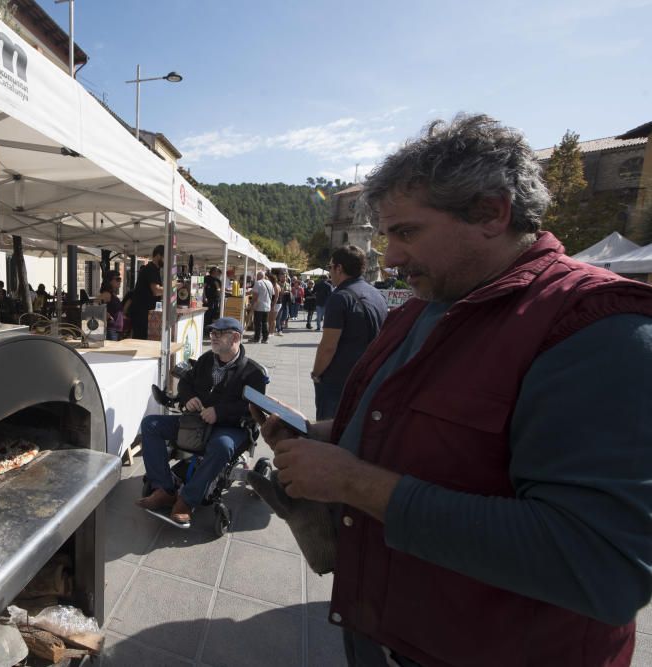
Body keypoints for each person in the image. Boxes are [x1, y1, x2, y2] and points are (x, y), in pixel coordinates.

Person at [259, 114, 652, 667]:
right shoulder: (423, 307)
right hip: (383, 628)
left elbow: (601, 566)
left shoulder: (597, 325)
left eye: (407, 232)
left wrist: (351, 480)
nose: (390, 258)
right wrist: (326, 434)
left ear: (492, 213)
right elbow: (422, 431)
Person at [136, 317, 267, 526]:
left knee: (221, 446)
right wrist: (188, 398)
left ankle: (187, 501)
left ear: (235, 337)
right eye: (212, 333)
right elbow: (186, 383)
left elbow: (253, 409)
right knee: (151, 425)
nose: (212, 337)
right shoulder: (207, 360)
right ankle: (165, 489)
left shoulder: (253, 373)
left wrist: (219, 412)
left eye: (219, 334)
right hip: (197, 422)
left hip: (231, 427)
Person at [310, 246, 387, 420]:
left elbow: (328, 346)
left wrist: (316, 373)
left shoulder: (340, 297)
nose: (329, 272)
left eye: (330, 267)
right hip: (369, 377)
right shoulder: (377, 295)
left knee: (328, 435)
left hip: (340, 381)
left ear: (339, 268)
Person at [129, 245, 164, 339]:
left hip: (145, 313)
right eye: (165, 257)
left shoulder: (154, 269)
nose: (166, 261)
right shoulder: (151, 269)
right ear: (158, 255)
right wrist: (172, 288)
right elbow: (156, 291)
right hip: (142, 314)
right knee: (141, 342)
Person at [98, 270, 125, 341]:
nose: (120, 281)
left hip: (117, 330)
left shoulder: (112, 294)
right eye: (117, 279)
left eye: (120, 279)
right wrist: (106, 314)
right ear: (109, 281)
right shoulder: (106, 294)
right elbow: (94, 306)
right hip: (111, 330)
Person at [250, 270, 273, 343]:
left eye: (257, 276)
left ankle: (257, 338)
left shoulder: (258, 283)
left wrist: (252, 304)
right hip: (267, 306)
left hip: (259, 306)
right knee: (265, 322)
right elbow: (273, 294)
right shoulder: (269, 283)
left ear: (259, 276)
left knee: (258, 323)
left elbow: (255, 296)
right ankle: (265, 338)